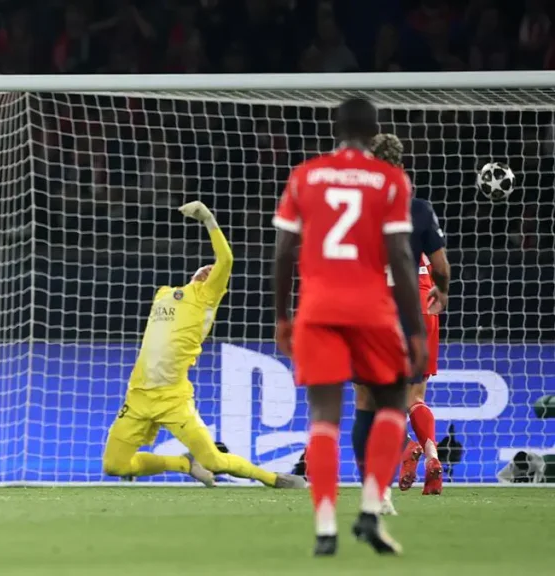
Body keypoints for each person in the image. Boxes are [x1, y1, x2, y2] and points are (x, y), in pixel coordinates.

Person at [272, 98, 427, 556]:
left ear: (334, 130)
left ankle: (324, 529)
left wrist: (282, 316)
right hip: (371, 309)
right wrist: (415, 330)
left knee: (323, 417)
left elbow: (283, 252)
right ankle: (370, 509)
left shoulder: (305, 175)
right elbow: (400, 256)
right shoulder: (391, 179)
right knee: (393, 400)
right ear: (374, 131)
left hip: (317, 309)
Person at [102, 200, 306, 490]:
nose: (210, 271)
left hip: (173, 398)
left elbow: (225, 259)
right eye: (205, 269)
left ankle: (273, 478)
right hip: (137, 396)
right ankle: (183, 463)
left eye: (214, 274)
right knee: (114, 465)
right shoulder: (164, 294)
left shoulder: (206, 298)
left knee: (214, 461)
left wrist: (208, 218)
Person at [353, 133, 451, 504]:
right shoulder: (419, 209)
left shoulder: (356, 209)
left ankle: (404, 448)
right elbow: (440, 266)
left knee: (368, 399)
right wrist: (442, 293)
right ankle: (431, 455)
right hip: (421, 306)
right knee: (415, 395)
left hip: (375, 311)